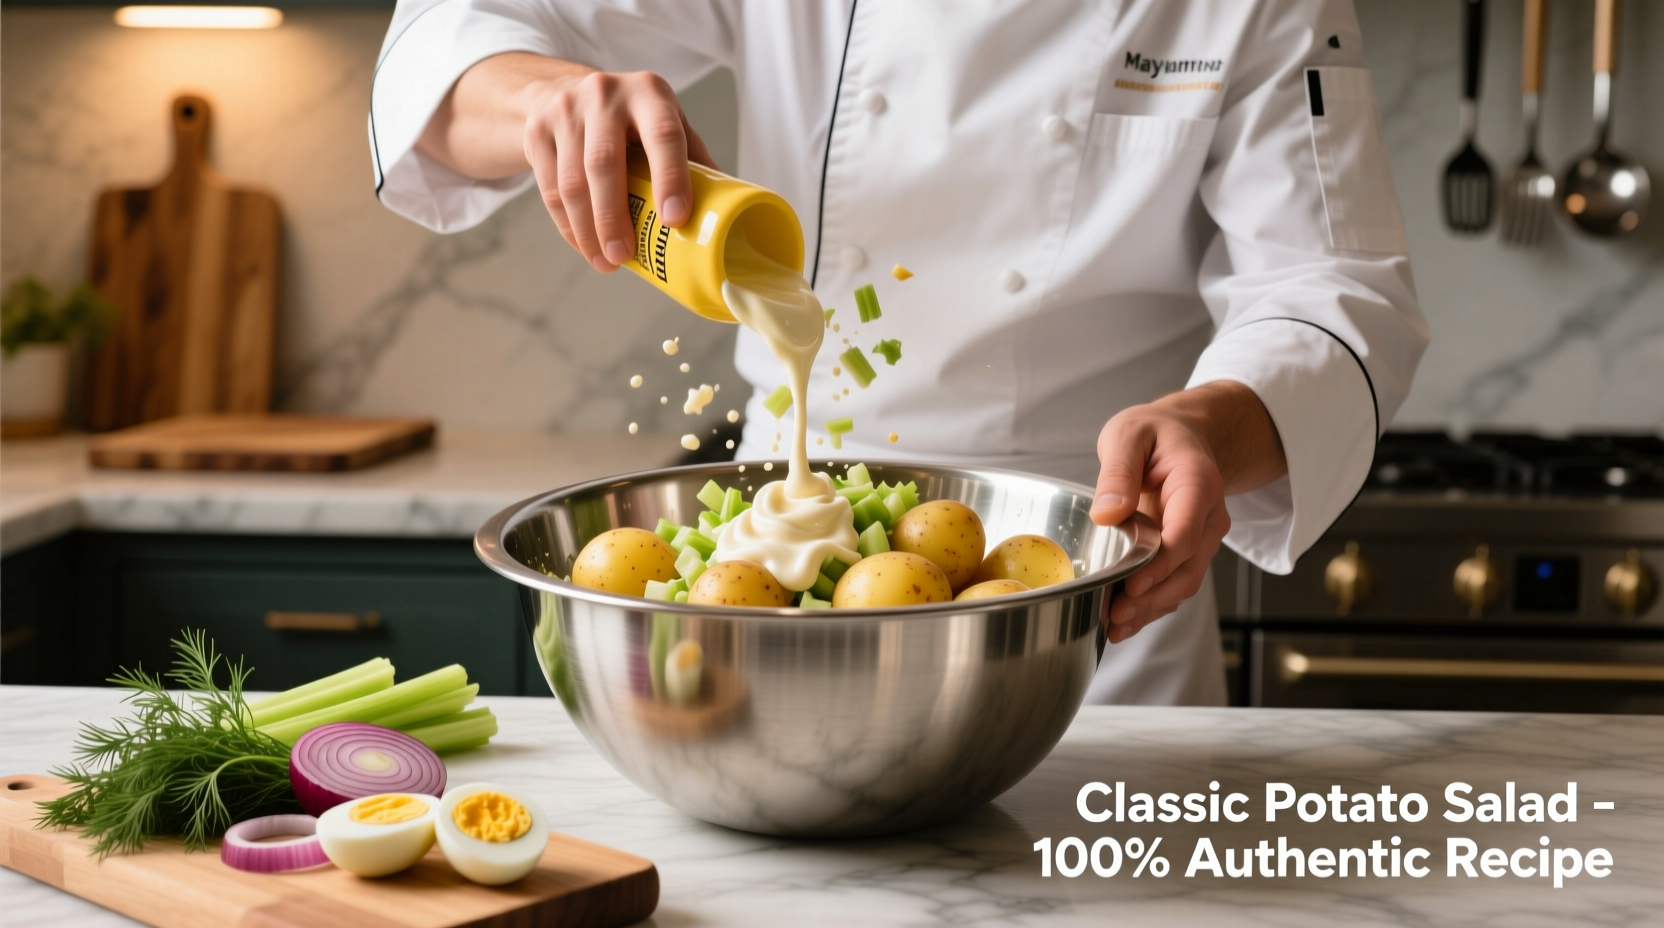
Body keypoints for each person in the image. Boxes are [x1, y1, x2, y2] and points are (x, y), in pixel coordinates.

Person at [368, 0, 1428, 706]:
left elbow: (1332, 286)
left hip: (1086, 600)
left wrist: (1211, 423)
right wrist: (543, 97)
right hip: (768, 593)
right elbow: (450, 46)